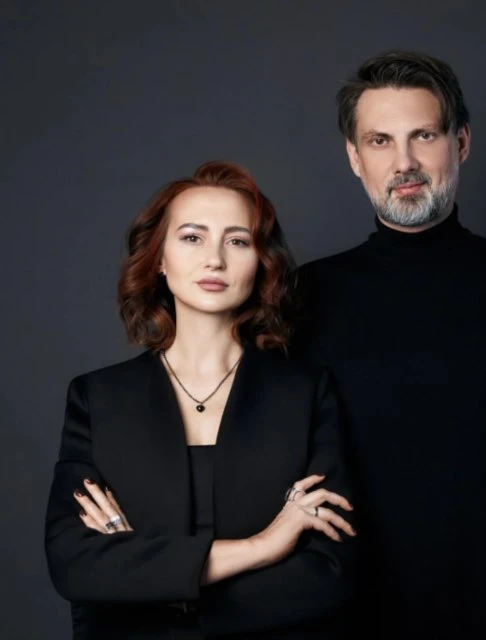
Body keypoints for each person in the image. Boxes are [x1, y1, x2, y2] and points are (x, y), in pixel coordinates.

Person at [292, 51, 486, 640]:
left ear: (461, 142)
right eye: (380, 141)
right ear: (355, 158)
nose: (404, 162)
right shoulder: (306, 296)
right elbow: (251, 452)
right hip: (348, 625)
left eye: (423, 136)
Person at [44, 160, 357, 639]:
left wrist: (150, 580)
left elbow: (328, 574)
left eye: (238, 241)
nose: (215, 259)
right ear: (159, 258)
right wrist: (263, 546)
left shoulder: (305, 394)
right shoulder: (99, 398)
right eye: (192, 237)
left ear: (260, 261)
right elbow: (74, 565)